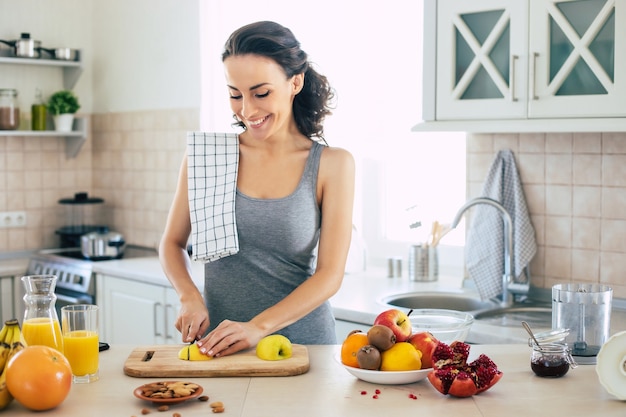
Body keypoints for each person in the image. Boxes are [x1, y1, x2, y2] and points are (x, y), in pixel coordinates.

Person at [159, 21, 355, 358]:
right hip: (221, 346)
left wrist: (258, 327)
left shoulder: (332, 164)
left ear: (295, 81)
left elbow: (329, 275)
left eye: (261, 93)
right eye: (235, 94)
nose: (247, 110)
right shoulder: (207, 157)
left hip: (302, 348)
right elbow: (172, 244)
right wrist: (189, 296)